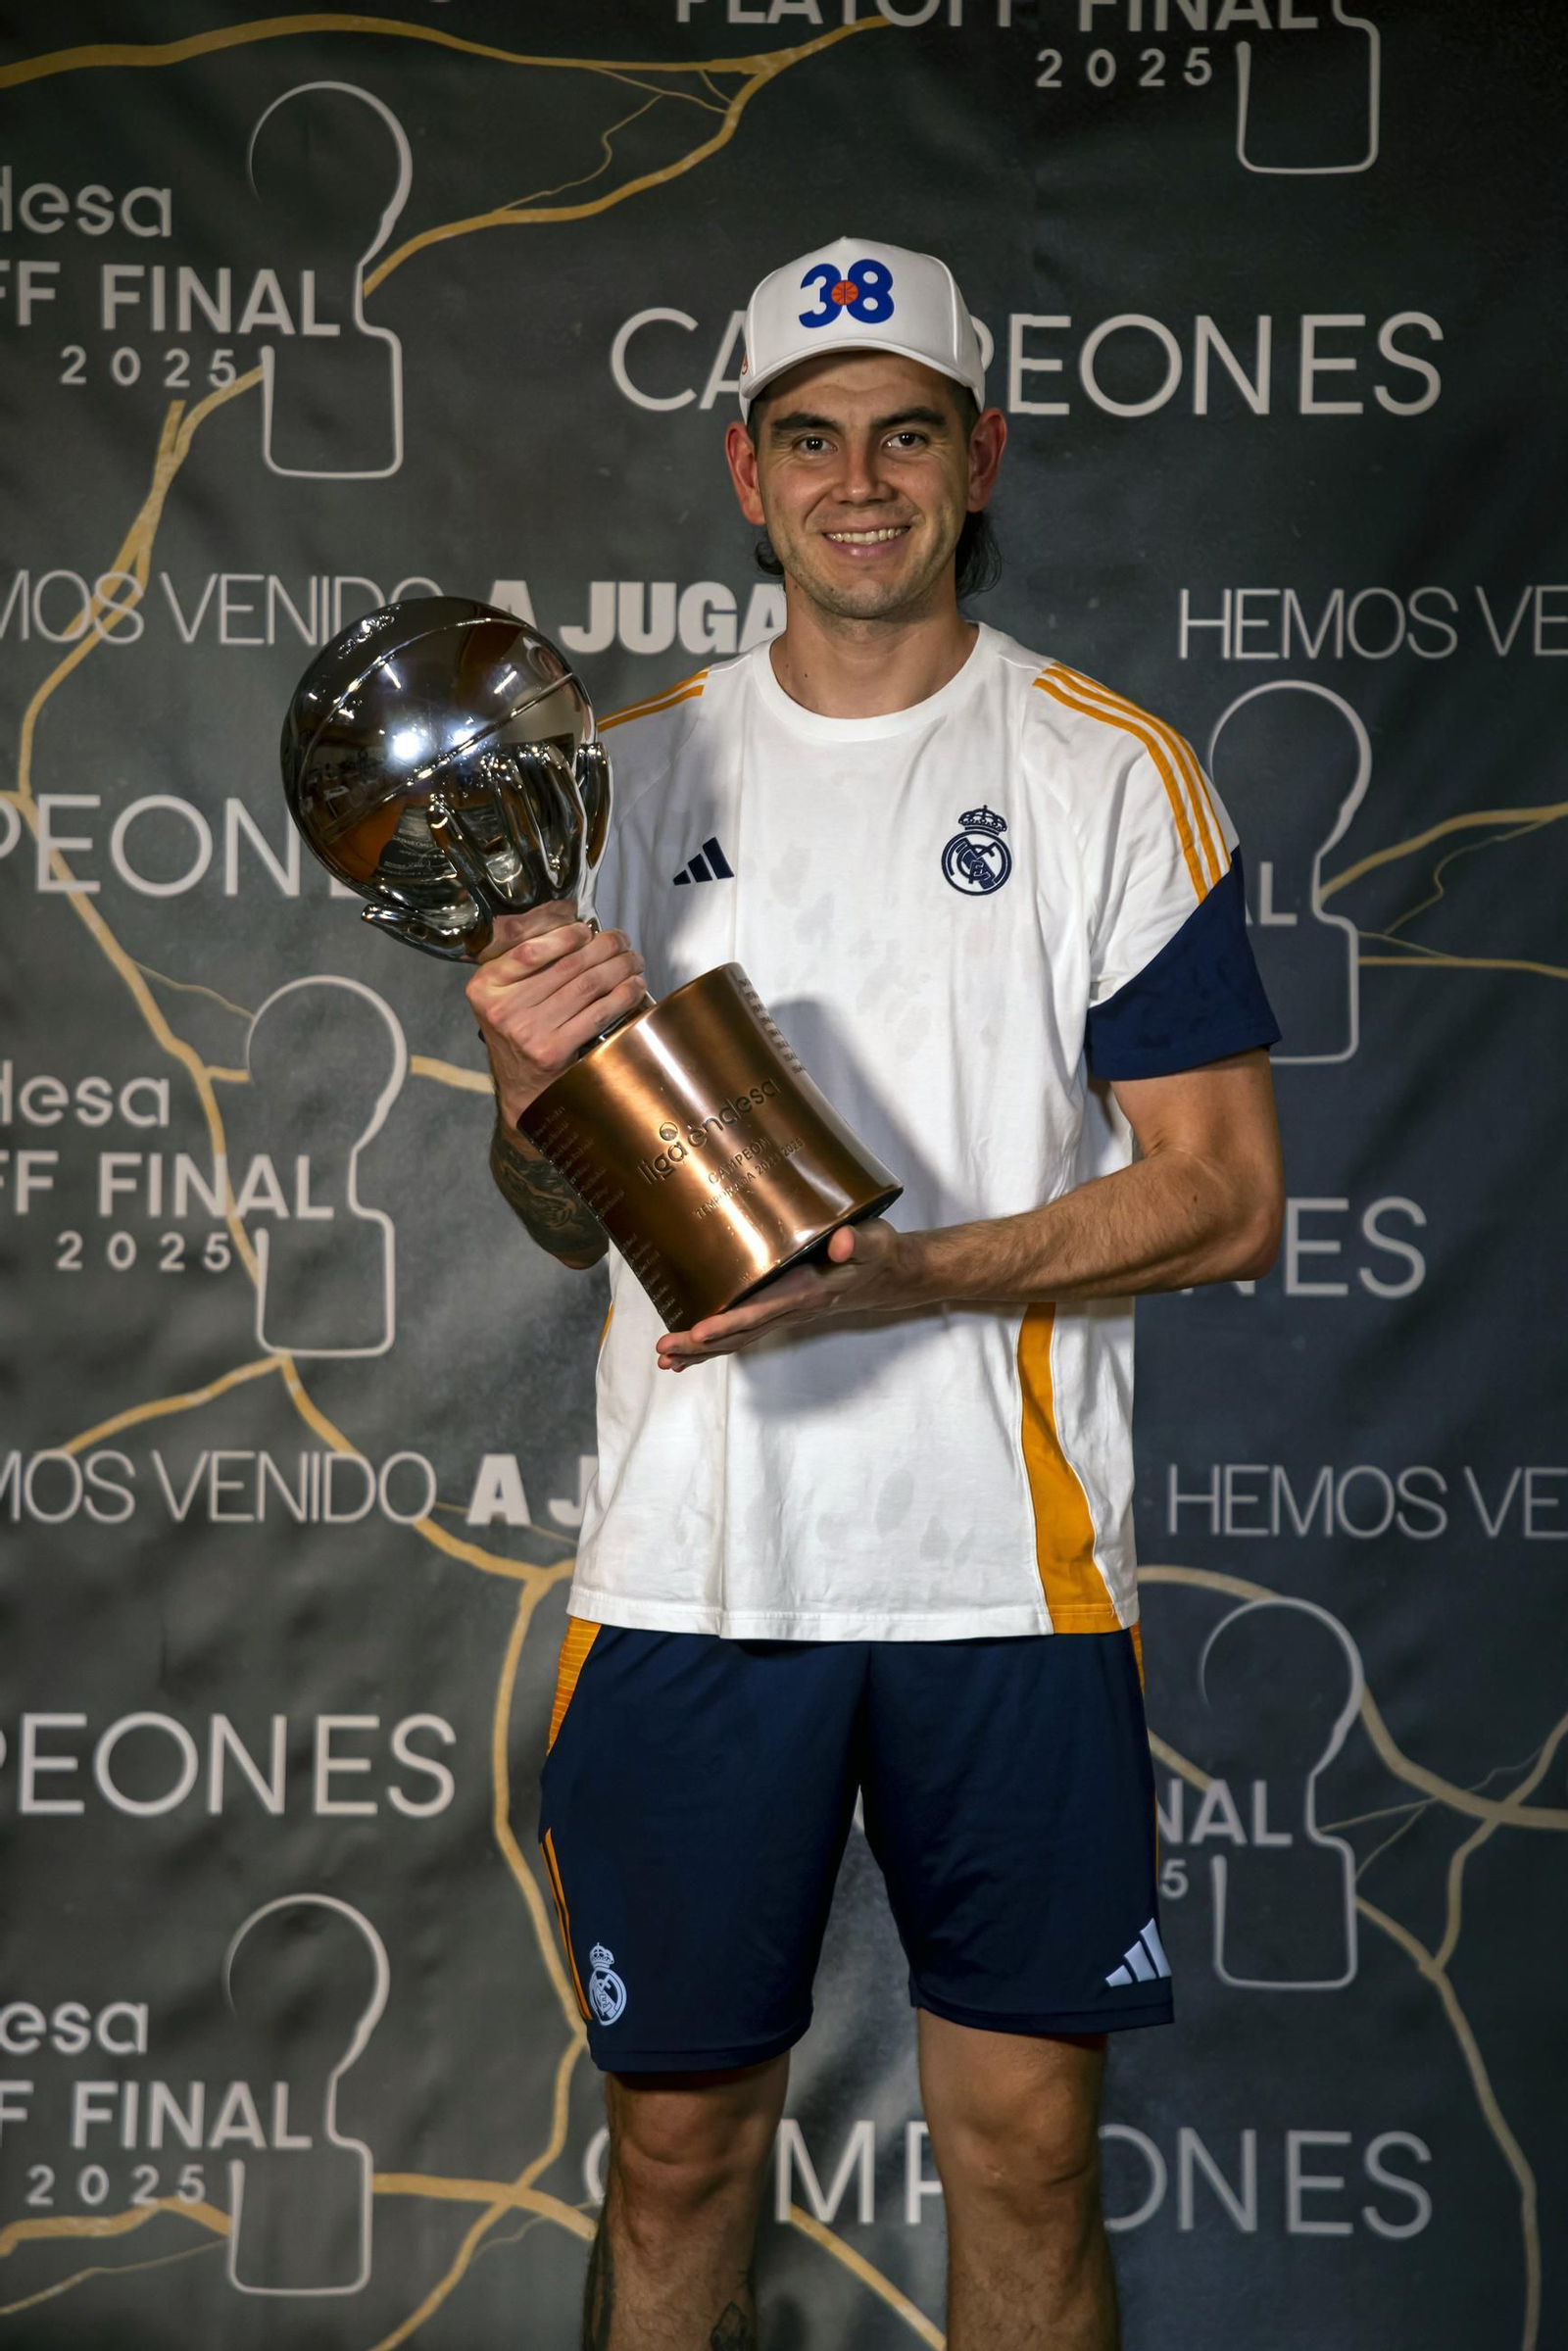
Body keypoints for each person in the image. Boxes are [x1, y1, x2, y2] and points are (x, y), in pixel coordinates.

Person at [469, 237, 1284, 2351]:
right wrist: (518, 1084)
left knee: (1017, 2153)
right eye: (809, 437)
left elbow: (1218, 1202)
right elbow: (568, 1222)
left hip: (1002, 1587)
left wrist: (904, 1279)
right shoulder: (609, 782)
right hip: (690, 1579)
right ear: (742, 472)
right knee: (673, 2153)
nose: (857, 480)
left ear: (977, 458)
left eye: (902, 432)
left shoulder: (1111, 770)